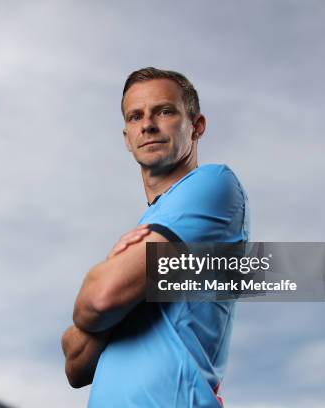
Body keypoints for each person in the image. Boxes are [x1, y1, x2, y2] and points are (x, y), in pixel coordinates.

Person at [61, 67, 250, 407]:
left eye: (164, 111)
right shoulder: (147, 227)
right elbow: (75, 366)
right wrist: (117, 277)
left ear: (197, 126)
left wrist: (112, 286)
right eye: (135, 116)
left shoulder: (213, 185)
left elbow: (101, 297)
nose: (147, 124)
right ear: (126, 137)